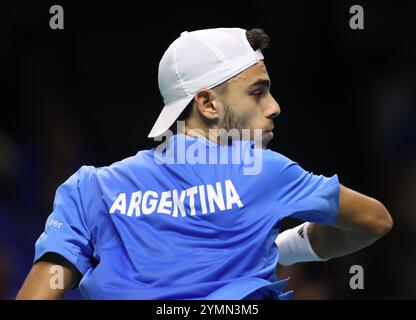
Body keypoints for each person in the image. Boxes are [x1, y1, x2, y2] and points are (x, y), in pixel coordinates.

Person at [16, 27, 393, 300]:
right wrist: (284, 248)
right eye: (257, 92)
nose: (274, 106)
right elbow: (375, 221)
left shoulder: (89, 188)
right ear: (208, 103)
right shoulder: (264, 171)